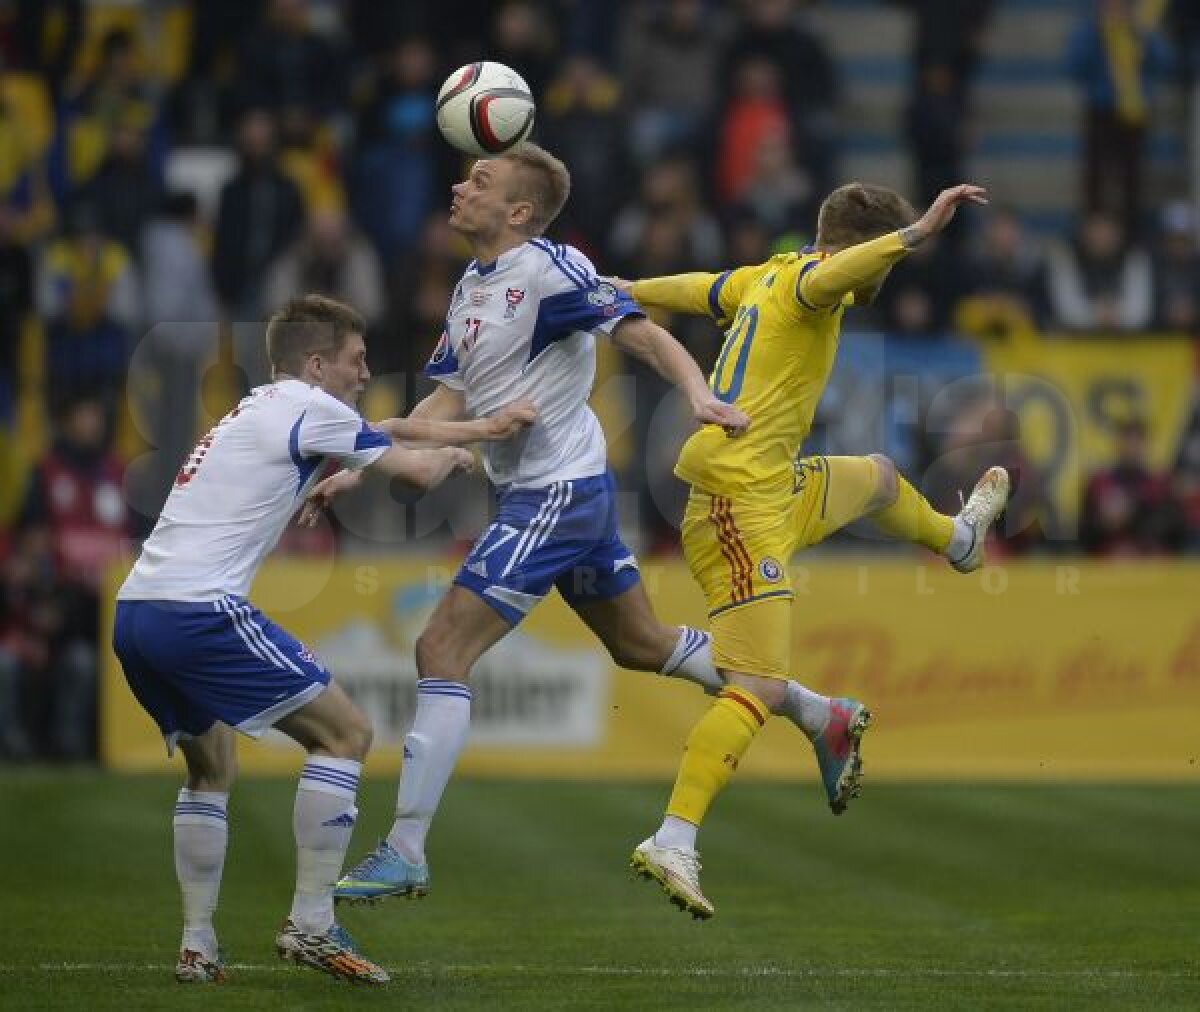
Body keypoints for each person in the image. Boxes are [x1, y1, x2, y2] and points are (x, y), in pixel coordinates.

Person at [305, 144, 848, 904]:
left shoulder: (552, 270)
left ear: (519, 212)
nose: (460, 188)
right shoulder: (469, 286)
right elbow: (440, 415)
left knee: (440, 645)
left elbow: (642, 333)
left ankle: (405, 848)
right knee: (642, 646)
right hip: (560, 493)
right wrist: (355, 469)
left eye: (481, 181)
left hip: (553, 494)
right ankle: (821, 712)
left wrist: (695, 393)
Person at [111, 293, 535, 985]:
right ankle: (310, 923)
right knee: (346, 735)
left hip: (137, 611)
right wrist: (472, 449)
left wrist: (474, 428)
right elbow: (418, 471)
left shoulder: (260, 406)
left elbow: (385, 427)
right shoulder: (312, 410)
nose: (364, 373)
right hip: (198, 611)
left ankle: (197, 945)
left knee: (211, 769)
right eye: (355, 360)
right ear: (317, 363)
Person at [615, 182, 1011, 919]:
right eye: (876, 264)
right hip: (738, 505)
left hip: (774, 486)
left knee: (879, 480)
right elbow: (836, 275)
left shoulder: (767, 274)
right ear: (859, 250)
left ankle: (957, 542)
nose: (877, 283)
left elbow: (701, 287)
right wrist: (918, 231)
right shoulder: (810, 284)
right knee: (754, 686)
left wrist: (627, 286)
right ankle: (674, 836)